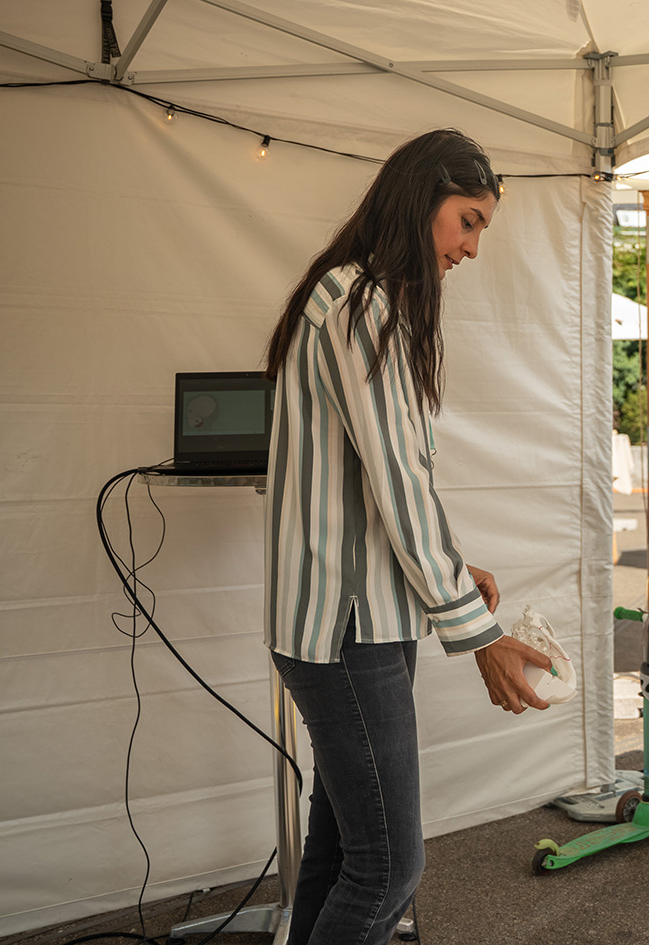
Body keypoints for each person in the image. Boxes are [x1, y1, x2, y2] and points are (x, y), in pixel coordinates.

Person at [260, 129, 552, 944]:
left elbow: (386, 484)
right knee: (390, 866)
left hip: (355, 621)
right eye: (468, 221)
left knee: (343, 852)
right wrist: (480, 632)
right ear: (421, 199)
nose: (472, 246)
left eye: (482, 227)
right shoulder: (360, 302)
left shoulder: (354, 296)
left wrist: (454, 568)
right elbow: (395, 480)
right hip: (346, 629)